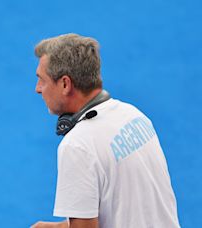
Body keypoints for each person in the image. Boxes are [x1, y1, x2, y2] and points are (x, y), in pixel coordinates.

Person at [31, 33, 180, 228]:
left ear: (65, 84)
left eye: (42, 80)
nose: (38, 89)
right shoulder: (134, 116)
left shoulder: (77, 145)